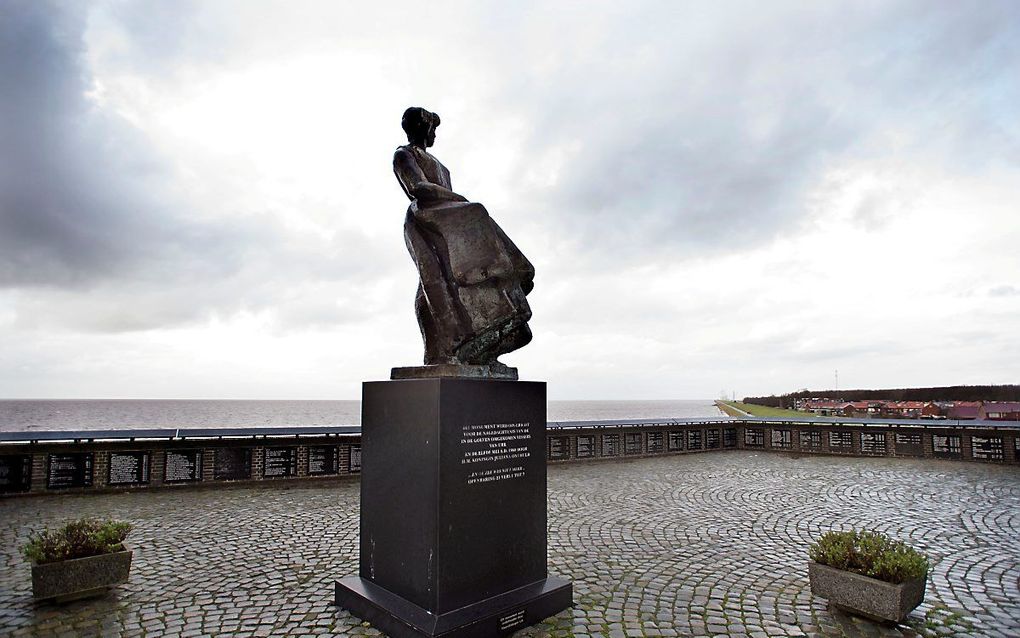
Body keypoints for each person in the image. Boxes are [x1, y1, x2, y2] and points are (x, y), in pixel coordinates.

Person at [393, 107, 535, 367]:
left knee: (448, 284)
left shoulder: (442, 167)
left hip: (449, 219)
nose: (434, 133)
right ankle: (441, 353)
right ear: (421, 128)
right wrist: (461, 202)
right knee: (434, 283)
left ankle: (466, 349)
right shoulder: (403, 154)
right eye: (432, 128)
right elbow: (418, 188)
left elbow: (441, 189)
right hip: (426, 219)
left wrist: (458, 204)